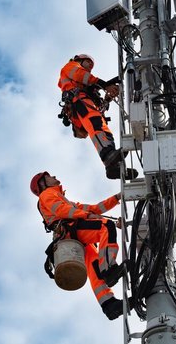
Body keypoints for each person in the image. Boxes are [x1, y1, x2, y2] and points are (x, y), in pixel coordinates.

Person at [31, 171, 128, 320]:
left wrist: (116, 198)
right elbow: (61, 211)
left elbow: (94, 209)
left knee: (94, 263)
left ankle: (109, 304)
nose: (55, 177)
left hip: (73, 238)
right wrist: (86, 215)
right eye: (50, 177)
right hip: (70, 232)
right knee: (105, 227)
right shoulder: (47, 194)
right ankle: (108, 268)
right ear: (43, 184)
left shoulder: (63, 199)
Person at [58, 54, 138, 180]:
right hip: (79, 101)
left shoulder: (86, 86)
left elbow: (99, 102)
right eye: (88, 62)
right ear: (79, 60)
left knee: (103, 130)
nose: (90, 66)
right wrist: (105, 85)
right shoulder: (72, 67)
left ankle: (112, 166)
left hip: (85, 105)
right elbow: (83, 76)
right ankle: (108, 156)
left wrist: (108, 98)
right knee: (96, 126)